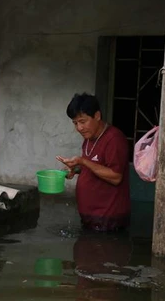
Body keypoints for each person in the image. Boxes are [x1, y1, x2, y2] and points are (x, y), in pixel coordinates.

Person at [56, 93, 130, 232]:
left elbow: (116, 177)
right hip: (92, 218)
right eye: (75, 123)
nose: (79, 128)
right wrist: (75, 169)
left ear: (97, 116)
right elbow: (94, 167)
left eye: (83, 122)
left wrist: (82, 161)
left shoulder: (114, 139)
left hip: (108, 219)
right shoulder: (89, 138)